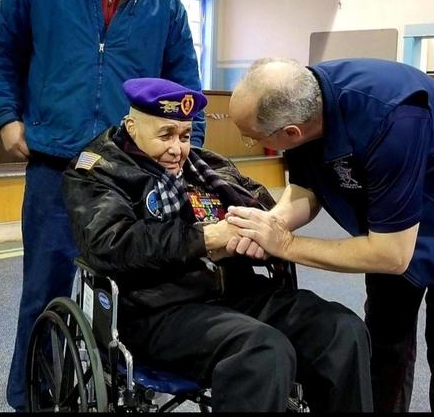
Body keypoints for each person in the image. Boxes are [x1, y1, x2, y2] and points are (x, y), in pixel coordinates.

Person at [0, 0, 204, 411]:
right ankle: (32, 400)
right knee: (44, 293)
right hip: (56, 166)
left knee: (134, 294)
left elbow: (185, 79)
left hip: (131, 173)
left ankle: (122, 395)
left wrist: (186, 141)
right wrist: (6, 118)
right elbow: (0, 51)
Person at [62, 77, 374, 412]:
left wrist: (255, 232)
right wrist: (208, 238)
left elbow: (264, 210)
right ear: (131, 125)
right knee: (262, 352)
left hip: (235, 292)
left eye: (184, 136)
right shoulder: (97, 171)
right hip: (157, 308)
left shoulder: (206, 165)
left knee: (342, 331)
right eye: (165, 135)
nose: (177, 149)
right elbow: (111, 244)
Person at [226, 57, 434, 413]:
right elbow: (306, 189)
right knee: (385, 343)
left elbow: (391, 255)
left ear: (289, 133)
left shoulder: (392, 118)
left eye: (252, 137)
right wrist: (270, 224)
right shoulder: (304, 99)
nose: (246, 141)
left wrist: (285, 244)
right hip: (388, 214)